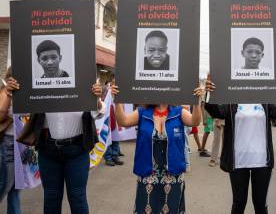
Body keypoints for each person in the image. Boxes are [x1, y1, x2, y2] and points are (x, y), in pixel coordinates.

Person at [205, 78, 276, 214]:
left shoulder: (265, 102)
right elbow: (216, 112)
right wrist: (209, 94)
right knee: (238, 203)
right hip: (238, 161)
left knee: (260, 204)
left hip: (262, 161)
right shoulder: (232, 102)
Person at [13, 76, 103, 214]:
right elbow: (24, 111)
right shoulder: (39, 82)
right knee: (51, 198)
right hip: (47, 150)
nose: (50, 62)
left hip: (77, 150)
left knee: (78, 198)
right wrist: (14, 93)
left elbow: (97, 114)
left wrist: (95, 100)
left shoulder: (83, 80)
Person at [112, 84, 203, 214]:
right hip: (148, 173)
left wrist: (197, 101)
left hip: (173, 175)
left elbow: (195, 121)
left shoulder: (178, 112)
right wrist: (117, 100)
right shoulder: (142, 112)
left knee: (171, 209)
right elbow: (123, 121)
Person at [0, 68, 22, 214]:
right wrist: (8, 93)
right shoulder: (5, 92)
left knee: (15, 189)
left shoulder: (24, 94)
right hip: (7, 143)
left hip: (20, 145)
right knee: (4, 185)